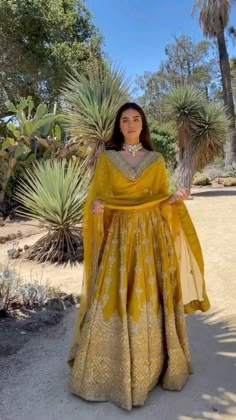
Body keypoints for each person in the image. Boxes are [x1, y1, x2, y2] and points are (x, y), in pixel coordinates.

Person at [67, 102, 210, 411]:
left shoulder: (156, 160)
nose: (131, 124)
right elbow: (97, 197)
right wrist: (96, 208)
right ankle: (106, 373)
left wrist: (175, 198)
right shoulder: (107, 160)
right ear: (119, 126)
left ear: (143, 125)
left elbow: (160, 200)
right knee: (114, 297)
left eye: (136, 119)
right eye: (125, 120)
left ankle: (155, 367)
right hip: (118, 239)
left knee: (149, 298)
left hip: (150, 240)